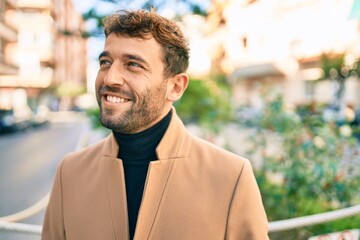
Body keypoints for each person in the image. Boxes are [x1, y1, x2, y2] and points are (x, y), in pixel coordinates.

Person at [42, 9, 269, 240]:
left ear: (176, 87)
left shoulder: (231, 176)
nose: (110, 78)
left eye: (133, 65)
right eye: (105, 62)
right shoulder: (69, 173)